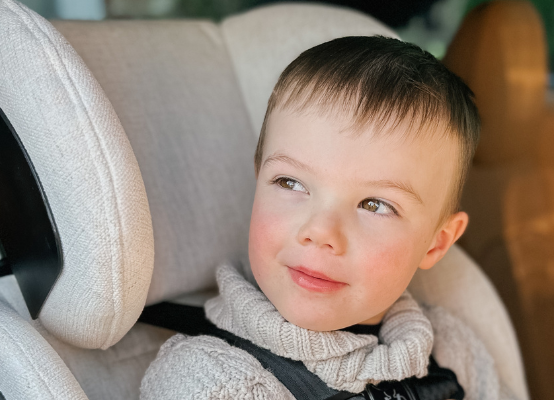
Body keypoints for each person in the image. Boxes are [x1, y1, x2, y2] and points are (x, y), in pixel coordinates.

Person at [140, 35, 518, 400]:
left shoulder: (452, 349)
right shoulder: (212, 382)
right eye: (290, 182)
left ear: (436, 242)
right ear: (258, 181)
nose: (320, 232)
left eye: (375, 205)